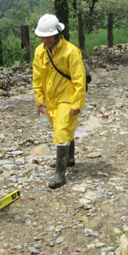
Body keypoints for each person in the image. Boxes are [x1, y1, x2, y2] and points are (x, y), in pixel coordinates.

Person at [32, 14, 86, 189]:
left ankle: (60, 174)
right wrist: (39, 99)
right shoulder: (40, 51)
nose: (45, 39)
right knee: (58, 127)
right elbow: (38, 76)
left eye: (48, 36)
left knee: (62, 130)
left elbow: (79, 78)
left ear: (57, 34)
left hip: (67, 97)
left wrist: (77, 103)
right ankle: (69, 158)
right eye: (43, 36)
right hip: (52, 98)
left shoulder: (71, 51)